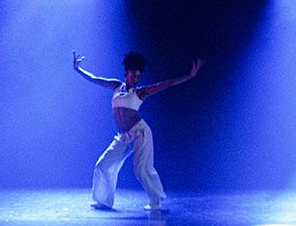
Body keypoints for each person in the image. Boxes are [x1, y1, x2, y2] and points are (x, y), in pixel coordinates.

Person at [73, 49, 201, 212]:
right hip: (123, 137)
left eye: (138, 76)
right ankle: (103, 200)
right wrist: (78, 69)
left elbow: (166, 84)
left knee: (141, 169)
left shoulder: (140, 92)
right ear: (126, 73)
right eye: (133, 75)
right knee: (102, 165)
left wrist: (189, 76)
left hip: (140, 133)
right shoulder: (116, 85)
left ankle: (156, 202)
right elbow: (95, 79)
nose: (136, 79)